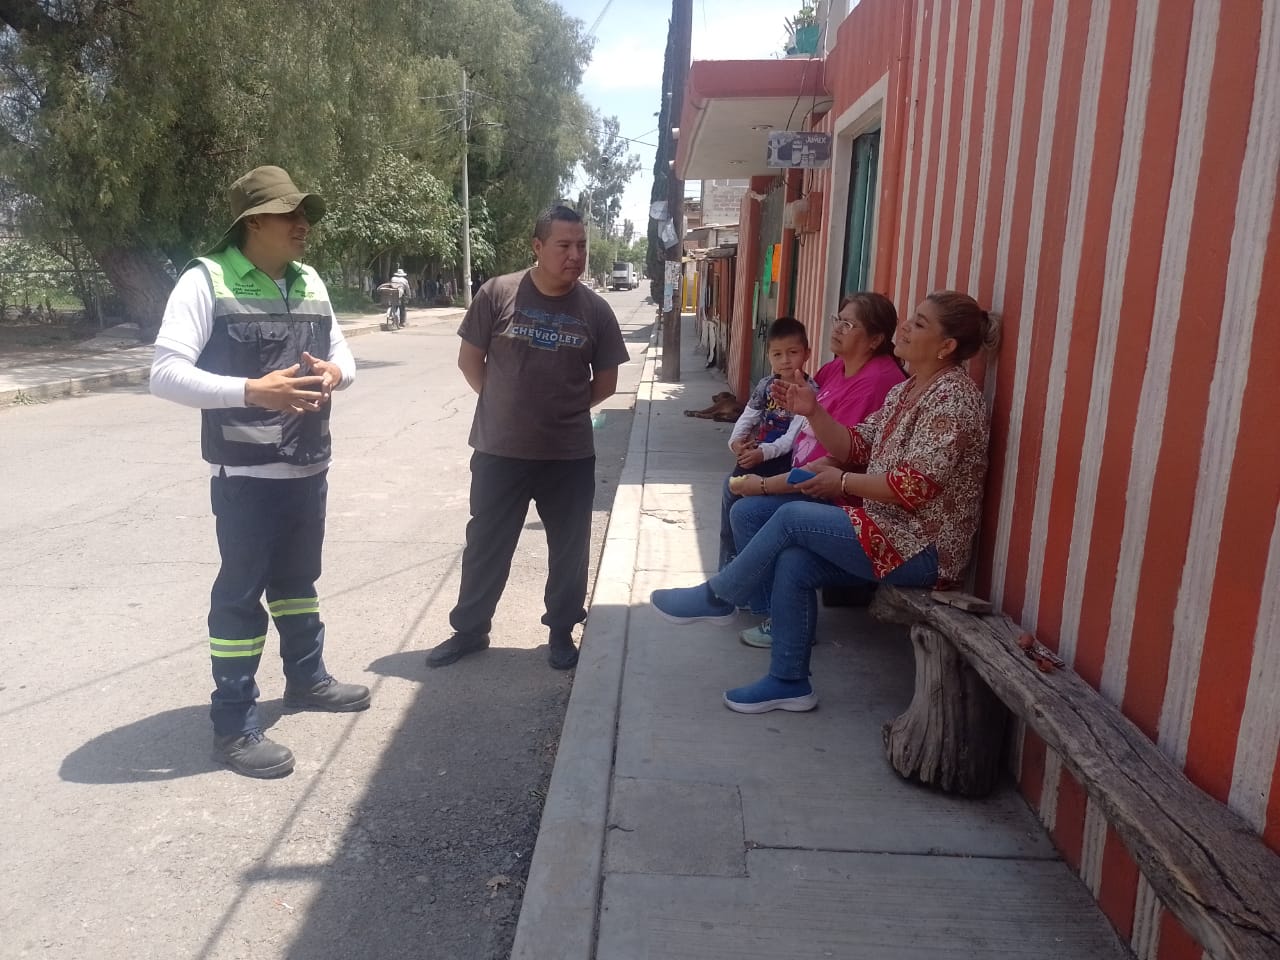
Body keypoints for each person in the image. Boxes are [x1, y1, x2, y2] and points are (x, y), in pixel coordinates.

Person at [649, 290, 997, 714]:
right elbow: (855, 444)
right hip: (888, 533)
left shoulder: (953, 398)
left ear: (947, 347)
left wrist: (842, 481)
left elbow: (914, 486)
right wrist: (813, 412)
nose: (904, 327)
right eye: (912, 318)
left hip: (924, 551)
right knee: (796, 559)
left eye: (920, 324)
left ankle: (720, 596)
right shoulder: (908, 391)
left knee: (794, 517)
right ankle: (789, 680)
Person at [150, 165, 371, 779]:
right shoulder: (206, 280)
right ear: (253, 222)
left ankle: (306, 680)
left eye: (305, 214)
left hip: (308, 464)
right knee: (242, 596)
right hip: (245, 475)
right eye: (289, 214)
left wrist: (335, 375)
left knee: (299, 580)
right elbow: (165, 373)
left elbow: (342, 354)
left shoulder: (310, 281)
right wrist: (251, 391)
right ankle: (234, 724)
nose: (303, 225)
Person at [428, 204, 630, 670]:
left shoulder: (595, 311)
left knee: (569, 546)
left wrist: (559, 410)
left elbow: (606, 382)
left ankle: (561, 631)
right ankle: (470, 630)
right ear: (538, 247)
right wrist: (505, 406)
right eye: (564, 245)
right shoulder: (497, 293)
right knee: (486, 543)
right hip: (500, 451)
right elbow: (469, 361)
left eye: (581, 245)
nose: (575, 255)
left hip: (569, 454)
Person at [726, 292, 906, 645]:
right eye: (838, 318)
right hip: (803, 468)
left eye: (848, 324)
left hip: (836, 492)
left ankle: (765, 610)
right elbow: (799, 416)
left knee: (748, 510)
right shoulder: (834, 368)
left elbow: (838, 461)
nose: (836, 328)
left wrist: (763, 486)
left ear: (875, 339)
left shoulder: (878, 382)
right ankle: (762, 604)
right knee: (734, 484)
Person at [718, 316, 818, 570]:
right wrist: (736, 444)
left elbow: (791, 439)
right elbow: (747, 418)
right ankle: (730, 558)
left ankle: (744, 563)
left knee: (736, 493)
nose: (785, 360)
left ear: (807, 353)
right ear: (769, 355)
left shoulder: (810, 391)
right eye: (777, 354)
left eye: (792, 352)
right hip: (758, 454)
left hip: (784, 461)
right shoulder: (765, 385)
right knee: (731, 489)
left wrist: (762, 454)